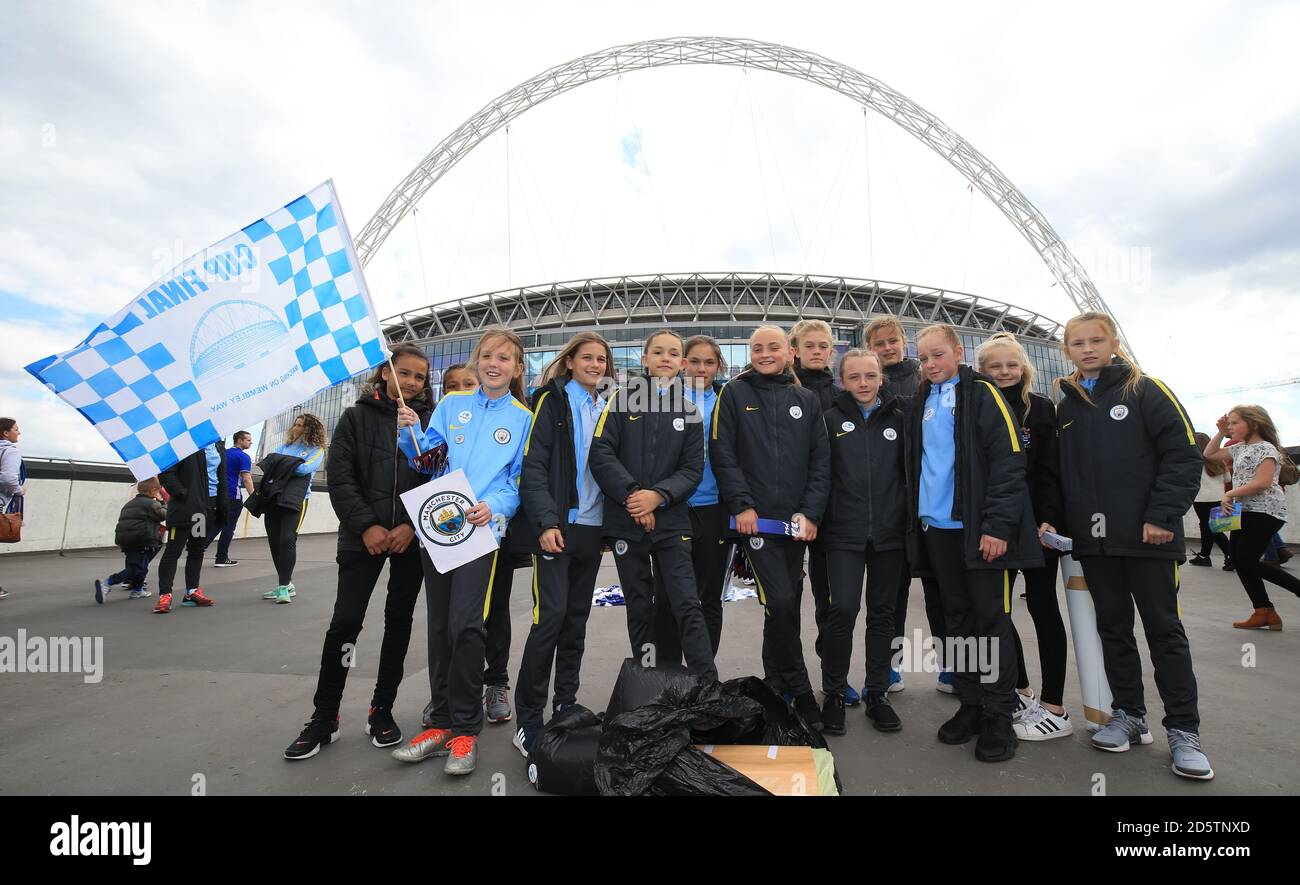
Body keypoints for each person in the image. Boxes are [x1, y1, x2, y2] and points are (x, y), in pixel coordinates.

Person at [1054, 311, 1212, 780]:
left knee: (1164, 632)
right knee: (1113, 630)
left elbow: (1183, 455)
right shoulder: (1069, 404)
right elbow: (1067, 476)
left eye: (1095, 340)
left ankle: (1185, 732)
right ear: (1067, 350)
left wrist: (1162, 517)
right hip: (1096, 544)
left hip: (1149, 540)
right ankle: (1129, 716)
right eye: (1077, 343)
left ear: (1113, 341)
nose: (1087, 349)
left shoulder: (1146, 390)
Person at [391, 327, 532, 776]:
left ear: (517, 367)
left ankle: (466, 728)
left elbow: (518, 481)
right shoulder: (451, 406)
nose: (494, 364)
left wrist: (496, 507)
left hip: (482, 532)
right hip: (438, 527)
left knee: (467, 626)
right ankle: (441, 721)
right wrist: (411, 433)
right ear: (476, 361)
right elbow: (428, 460)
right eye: (487, 355)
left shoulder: (523, 418)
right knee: (439, 625)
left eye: (504, 358)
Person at [284, 345, 434, 760]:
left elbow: (435, 477)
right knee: (345, 623)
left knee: (398, 620)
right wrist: (367, 525)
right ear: (385, 375)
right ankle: (324, 717)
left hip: (409, 538)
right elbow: (341, 475)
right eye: (403, 373)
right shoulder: (355, 417)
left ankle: (381, 710)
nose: (411, 382)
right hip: (360, 537)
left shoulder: (427, 424)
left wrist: (410, 524)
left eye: (419, 377)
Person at [904, 324, 1041, 763]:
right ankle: (972, 702)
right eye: (923, 359)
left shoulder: (983, 394)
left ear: (958, 352)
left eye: (938, 355)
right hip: (936, 530)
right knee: (955, 619)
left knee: (991, 620)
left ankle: (1001, 713)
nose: (930, 364)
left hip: (978, 530)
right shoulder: (921, 400)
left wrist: (997, 527)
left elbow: (1008, 463)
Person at [711, 325, 830, 730]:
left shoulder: (806, 400)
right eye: (757, 347)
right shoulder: (734, 393)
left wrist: (810, 513)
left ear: (789, 353)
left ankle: (775, 683)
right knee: (779, 601)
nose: (765, 353)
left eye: (773, 346)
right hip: (755, 523)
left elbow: (820, 462)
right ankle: (800, 691)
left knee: (786, 605)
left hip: (795, 525)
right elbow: (722, 452)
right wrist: (742, 505)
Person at [509, 332, 614, 757]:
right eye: (587, 357)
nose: (596, 365)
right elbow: (533, 465)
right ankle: (528, 718)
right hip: (557, 529)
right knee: (548, 619)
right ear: (569, 362)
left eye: (602, 360)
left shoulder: (605, 404)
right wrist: (546, 521)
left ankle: (565, 703)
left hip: (592, 530)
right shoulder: (549, 401)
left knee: (576, 620)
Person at [590, 329, 717, 681]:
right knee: (640, 607)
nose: (665, 358)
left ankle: (706, 682)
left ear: (682, 363)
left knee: (686, 604)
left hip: (672, 523)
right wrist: (634, 496)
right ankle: (648, 680)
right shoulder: (620, 399)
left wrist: (658, 496)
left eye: (673, 353)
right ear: (645, 359)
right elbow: (601, 454)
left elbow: (692, 469)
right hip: (625, 520)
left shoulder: (689, 410)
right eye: (658, 352)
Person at [974, 332, 1072, 741]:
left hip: (1037, 526)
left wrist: (1047, 517)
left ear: (1024, 368)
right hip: (996, 524)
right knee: (998, 611)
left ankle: (1053, 704)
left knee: (1044, 606)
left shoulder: (1042, 409)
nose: (1004, 372)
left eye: (1011, 365)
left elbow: (1050, 469)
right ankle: (1020, 688)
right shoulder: (976, 406)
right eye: (995, 366)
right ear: (981, 371)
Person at [817, 349, 907, 735]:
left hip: (890, 534)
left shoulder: (902, 419)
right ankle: (834, 692)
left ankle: (877, 692)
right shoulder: (829, 420)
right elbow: (820, 474)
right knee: (844, 610)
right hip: (843, 534)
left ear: (881, 377)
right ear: (842, 380)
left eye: (870, 376)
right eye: (854, 377)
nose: (863, 384)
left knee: (883, 613)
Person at [865, 317, 948, 696]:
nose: (887, 348)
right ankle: (891, 666)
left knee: (939, 589)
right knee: (893, 594)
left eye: (892, 341)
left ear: (904, 343)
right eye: (879, 343)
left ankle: (951, 665)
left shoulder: (926, 380)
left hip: (928, 500)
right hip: (891, 505)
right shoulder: (869, 386)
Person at [1204, 405, 1300, 630]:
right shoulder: (1239, 448)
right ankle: (1263, 611)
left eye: (1235, 423)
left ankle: (1284, 597)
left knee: (1246, 560)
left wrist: (1229, 493)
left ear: (1254, 424)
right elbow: (1209, 455)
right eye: (1230, 423)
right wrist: (1219, 432)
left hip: (1265, 511)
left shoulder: (1267, 448)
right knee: (1239, 561)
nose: (1231, 427)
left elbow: (1263, 482)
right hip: (1244, 511)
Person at [788, 320, 837, 682]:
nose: (817, 351)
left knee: (828, 598)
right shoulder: (783, 388)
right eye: (810, 345)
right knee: (784, 598)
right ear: (796, 350)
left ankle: (830, 673)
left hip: (830, 509)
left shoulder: (842, 393)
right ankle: (790, 676)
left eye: (823, 345)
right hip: (785, 506)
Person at [682, 335, 730, 654]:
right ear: (683, 363)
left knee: (710, 597)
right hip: (675, 510)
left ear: (718, 366)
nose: (702, 368)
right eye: (695, 361)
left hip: (714, 509)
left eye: (709, 362)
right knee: (676, 596)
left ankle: (705, 674)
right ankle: (672, 674)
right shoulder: (664, 400)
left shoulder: (729, 401)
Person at [155, 441, 228, 613]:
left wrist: (221, 505)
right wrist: (182, 492)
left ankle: (192, 591)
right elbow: (166, 473)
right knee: (174, 550)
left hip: (205, 508)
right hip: (185, 507)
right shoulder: (186, 442)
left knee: (196, 549)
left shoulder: (217, 446)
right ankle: (165, 594)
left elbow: (221, 477)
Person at [262, 414, 326, 602]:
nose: (296, 428)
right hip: (274, 497)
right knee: (274, 541)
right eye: (296, 425)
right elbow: (268, 463)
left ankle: (283, 587)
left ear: (310, 429)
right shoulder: (287, 447)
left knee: (287, 539)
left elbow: (304, 470)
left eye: (301, 426)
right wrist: (287, 464)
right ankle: (286, 583)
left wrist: (281, 464)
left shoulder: (317, 449)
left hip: (297, 500)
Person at [95, 477, 165, 603]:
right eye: (157, 491)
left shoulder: (129, 504)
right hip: (142, 539)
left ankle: (137, 590)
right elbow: (163, 514)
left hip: (127, 539)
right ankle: (107, 582)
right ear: (153, 491)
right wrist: (163, 502)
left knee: (140, 566)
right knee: (136, 568)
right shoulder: (152, 504)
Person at [1188, 431, 1233, 569]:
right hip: (1219, 498)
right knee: (1213, 527)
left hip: (1201, 499)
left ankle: (1231, 556)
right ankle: (1204, 555)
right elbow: (1228, 479)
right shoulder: (1219, 461)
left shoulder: (1194, 460)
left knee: (1211, 528)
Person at [213, 431, 254, 567]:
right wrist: (254, 496)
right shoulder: (243, 457)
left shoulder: (223, 453)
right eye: (248, 440)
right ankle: (221, 557)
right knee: (228, 527)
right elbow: (246, 479)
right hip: (233, 495)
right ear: (240, 440)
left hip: (219, 493)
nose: (250, 442)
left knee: (217, 524)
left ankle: (199, 550)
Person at [0, 417, 26, 600]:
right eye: (16, 429)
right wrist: (19, 490)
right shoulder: (10, 451)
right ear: (5, 433)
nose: (19, 432)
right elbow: (9, 479)